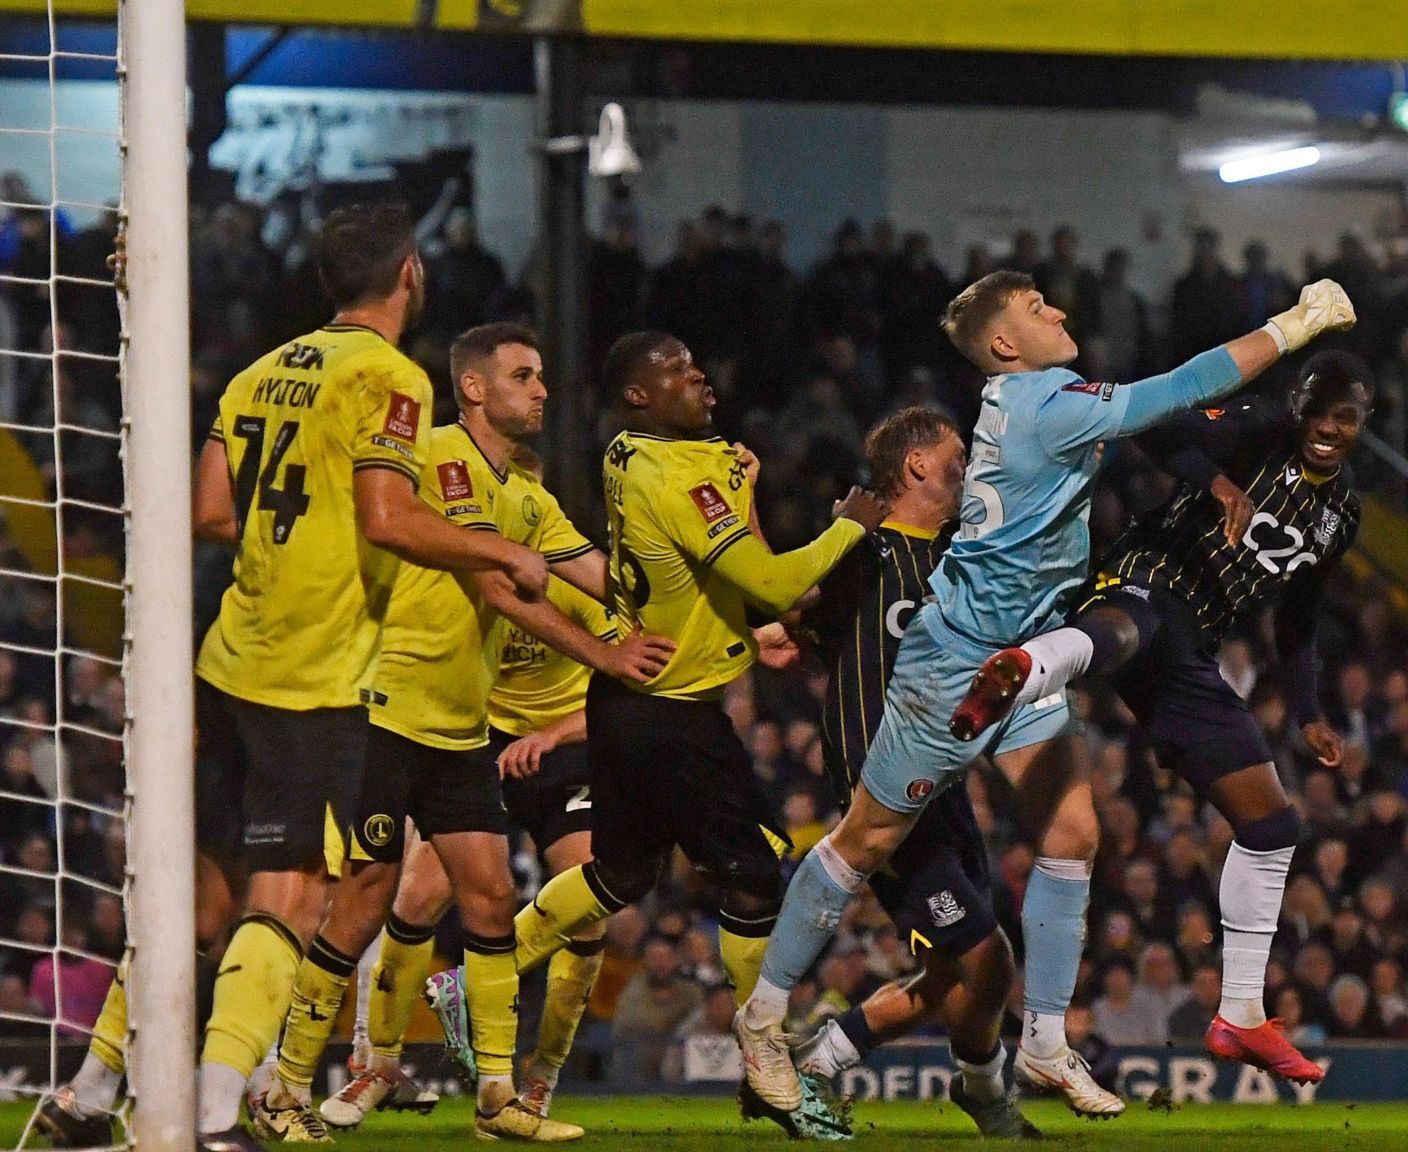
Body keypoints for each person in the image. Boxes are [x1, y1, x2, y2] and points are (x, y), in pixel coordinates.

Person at [735, 270, 1355, 1119]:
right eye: (1036, 308)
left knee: (1073, 834)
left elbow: (1168, 421)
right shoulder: (1043, 404)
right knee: (862, 843)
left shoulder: (1031, 398)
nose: (1059, 311)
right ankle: (763, 1019)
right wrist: (1294, 325)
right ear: (1003, 344)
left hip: (1020, 654)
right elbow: (1180, 391)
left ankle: (1044, 1043)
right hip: (953, 663)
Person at [69, 204, 552, 1152]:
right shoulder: (388, 375)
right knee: (288, 897)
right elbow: (387, 516)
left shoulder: (259, 372)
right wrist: (496, 550)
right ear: (409, 273)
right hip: (315, 674)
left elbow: (212, 511)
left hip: (228, 656)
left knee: (203, 899)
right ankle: (212, 1118)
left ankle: (90, 1092)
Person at [252, 323, 672, 1144]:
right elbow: (507, 589)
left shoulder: (525, 492)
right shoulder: (434, 454)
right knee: (365, 899)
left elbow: (597, 575)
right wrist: (607, 656)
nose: (543, 390)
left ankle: (497, 1097)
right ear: (475, 388)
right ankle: (287, 1087)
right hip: (383, 709)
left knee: (489, 899)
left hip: (457, 728)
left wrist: (720, 618)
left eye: (544, 376)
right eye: (524, 376)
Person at [947, 350, 1371, 1084]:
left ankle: (1239, 1013)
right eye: (1319, 411)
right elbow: (1153, 429)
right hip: (1145, 576)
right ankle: (1029, 667)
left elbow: (1298, 616)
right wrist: (1217, 481)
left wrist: (1306, 712)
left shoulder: (1343, 513)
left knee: (1272, 826)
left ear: (1363, 424)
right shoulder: (1260, 425)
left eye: (1346, 418)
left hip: (1193, 650)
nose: (1327, 429)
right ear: (1299, 405)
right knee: (1135, 621)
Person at [496, 331, 882, 1121]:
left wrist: (734, 490)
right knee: (750, 879)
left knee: (621, 875)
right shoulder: (682, 479)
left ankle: (478, 978)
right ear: (638, 396)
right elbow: (773, 582)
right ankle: (767, 1062)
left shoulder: (625, 454)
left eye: (693, 361)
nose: (697, 371)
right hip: (675, 715)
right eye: (674, 369)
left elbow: (711, 580)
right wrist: (850, 524)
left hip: (634, 707)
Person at [786, 406, 1038, 1138]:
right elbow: (791, 604)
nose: (965, 464)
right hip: (883, 784)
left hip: (943, 783)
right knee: (985, 959)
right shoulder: (863, 552)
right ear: (917, 465)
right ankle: (981, 1092)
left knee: (964, 970)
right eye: (955, 453)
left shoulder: (953, 562)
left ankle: (824, 1059)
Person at [324, 559, 620, 1128]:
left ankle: (539, 1081)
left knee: (588, 912)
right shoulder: (461, 577)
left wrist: (553, 733)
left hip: (567, 746)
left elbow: (632, 678)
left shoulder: (572, 580)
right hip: (482, 746)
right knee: (414, 899)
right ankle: (378, 1065)